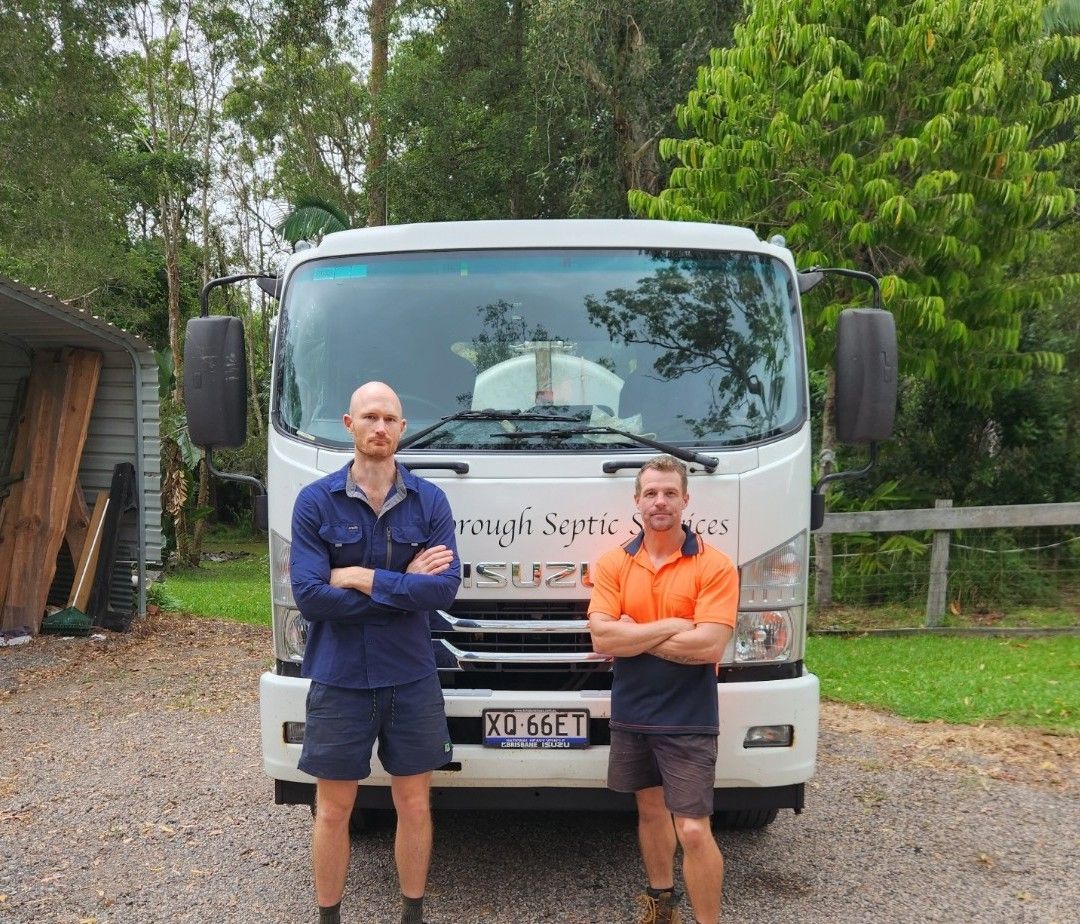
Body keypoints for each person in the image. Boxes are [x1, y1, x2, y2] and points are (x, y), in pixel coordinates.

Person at [289, 381, 460, 924]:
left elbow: (442, 590)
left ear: (402, 429)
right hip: (339, 679)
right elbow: (311, 598)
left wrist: (362, 577)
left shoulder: (430, 501)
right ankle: (329, 917)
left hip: (411, 678)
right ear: (349, 424)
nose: (380, 427)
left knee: (414, 805)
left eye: (389, 418)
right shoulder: (315, 502)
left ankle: (413, 914)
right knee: (333, 810)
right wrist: (398, 588)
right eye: (370, 417)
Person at [587, 455, 738, 924]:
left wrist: (638, 635)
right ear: (637, 501)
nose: (660, 502)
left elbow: (710, 643)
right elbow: (602, 638)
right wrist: (676, 626)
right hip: (633, 713)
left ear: (685, 500)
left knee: (692, 829)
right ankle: (660, 907)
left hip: (689, 716)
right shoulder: (614, 563)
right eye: (651, 493)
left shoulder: (714, 565)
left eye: (670, 493)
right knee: (651, 814)